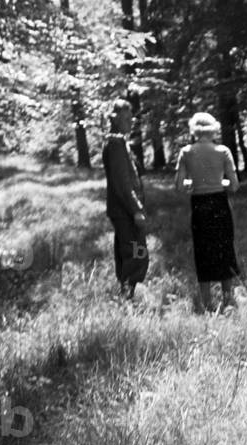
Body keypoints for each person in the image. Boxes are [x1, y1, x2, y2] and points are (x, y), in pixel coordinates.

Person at [175, 112, 240, 313]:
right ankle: (228, 299)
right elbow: (234, 186)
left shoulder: (186, 152)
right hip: (219, 204)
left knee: (203, 250)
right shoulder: (223, 152)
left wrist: (193, 183)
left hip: (199, 205)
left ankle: (206, 302)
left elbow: (179, 185)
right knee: (224, 248)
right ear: (213, 129)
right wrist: (219, 182)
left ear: (194, 130)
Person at [102, 99, 149, 300]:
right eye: (126, 119)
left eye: (132, 118)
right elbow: (122, 183)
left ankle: (126, 295)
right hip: (125, 211)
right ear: (115, 120)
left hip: (123, 210)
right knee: (137, 253)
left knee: (128, 252)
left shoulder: (120, 142)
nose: (131, 122)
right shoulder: (116, 144)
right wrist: (136, 209)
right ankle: (127, 298)